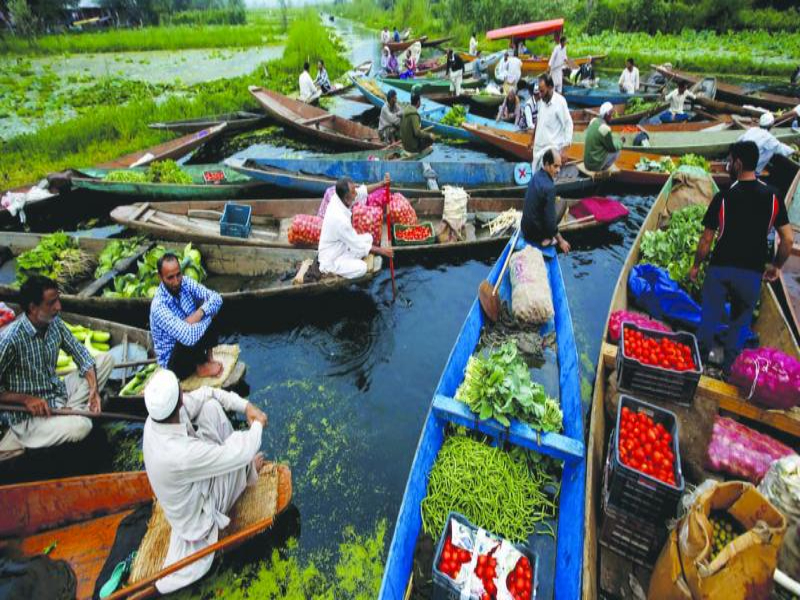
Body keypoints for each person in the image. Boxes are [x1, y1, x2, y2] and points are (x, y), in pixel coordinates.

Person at [142, 369, 268, 594]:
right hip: (198, 519)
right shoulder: (179, 454)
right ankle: (248, 472)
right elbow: (240, 452)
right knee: (239, 459)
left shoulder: (154, 423)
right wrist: (257, 424)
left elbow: (208, 393)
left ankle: (243, 470)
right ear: (180, 396)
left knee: (209, 407)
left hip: (190, 484)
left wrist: (245, 407)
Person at [690, 141, 794, 374]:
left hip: (720, 270)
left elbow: (706, 240)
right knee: (739, 324)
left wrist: (696, 266)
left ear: (737, 163)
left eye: (729, 160)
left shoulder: (724, 197)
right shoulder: (774, 197)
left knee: (709, 317)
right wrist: (776, 266)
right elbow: (787, 240)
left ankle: (697, 363)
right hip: (751, 273)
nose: (728, 164)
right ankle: (729, 370)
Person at [0, 276, 114, 455]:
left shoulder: (54, 324)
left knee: (106, 360)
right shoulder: (10, 339)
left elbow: (82, 356)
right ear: (33, 308)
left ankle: (70, 411)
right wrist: (26, 399)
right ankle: (73, 414)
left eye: (58, 300)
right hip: (30, 419)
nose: (59, 307)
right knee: (82, 426)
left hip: (58, 394)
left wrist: (93, 390)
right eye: (51, 303)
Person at [150, 253, 224, 380]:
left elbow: (217, 298)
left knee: (208, 306)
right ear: (160, 277)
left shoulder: (186, 283)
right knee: (205, 315)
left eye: (178, 274)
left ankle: (208, 358)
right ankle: (200, 367)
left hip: (192, 335)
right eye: (170, 278)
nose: (176, 281)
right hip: (174, 362)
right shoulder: (159, 306)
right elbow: (188, 337)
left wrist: (199, 313)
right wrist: (207, 316)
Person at [318, 176, 395, 279]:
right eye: (353, 192)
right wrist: (383, 251)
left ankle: (351, 260)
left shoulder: (340, 198)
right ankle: (333, 271)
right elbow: (357, 244)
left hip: (341, 246)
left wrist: (381, 184)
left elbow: (362, 192)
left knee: (369, 238)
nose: (356, 194)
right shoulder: (340, 220)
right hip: (331, 259)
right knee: (362, 268)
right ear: (346, 198)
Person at [521, 149, 571, 254]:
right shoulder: (550, 188)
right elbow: (551, 223)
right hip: (536, 235)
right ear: (547, 165)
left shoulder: (536, 175)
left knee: (551, 205)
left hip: (525, 229)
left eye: (560, 166)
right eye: (555, 166)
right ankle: (546, 238)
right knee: (562, 202)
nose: (558, 170)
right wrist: (561, 241)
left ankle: (543, 235)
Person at [531, 74, 573, 170]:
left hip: (551, 152)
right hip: (538, 150)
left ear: (550, 87)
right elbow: (539, 119)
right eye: (539, 92)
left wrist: (565, 150)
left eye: (542, 91)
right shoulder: (542, 101)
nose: (540, 95)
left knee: (545, 181)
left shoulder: (560, 102)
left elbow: (568, 124)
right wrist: (532, 139)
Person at [583, 102, 626, 172]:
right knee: (617, 150)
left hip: (587, 164)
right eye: (611, 113)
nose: (612, 116)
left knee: (609, 144)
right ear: (607, 114)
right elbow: (612, 148)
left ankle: (600, 165)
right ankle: (602, 169)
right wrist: (621, 141)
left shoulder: (593, 121)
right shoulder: (605, 129)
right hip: (594, 166)